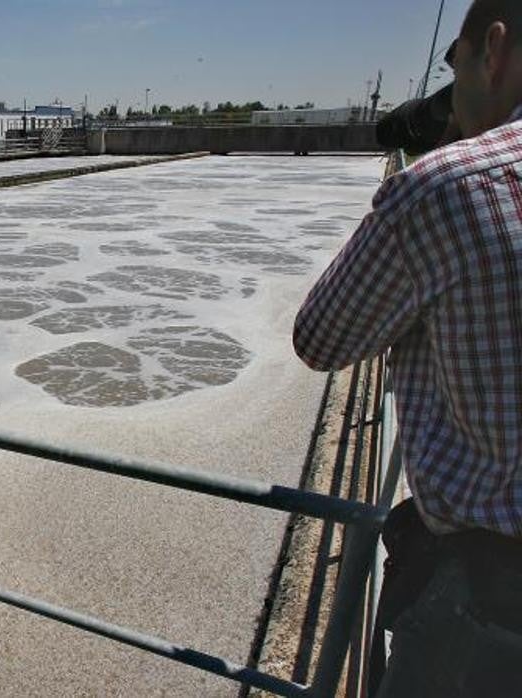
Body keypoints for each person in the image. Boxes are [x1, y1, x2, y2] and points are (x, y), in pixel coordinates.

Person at [293, 1, 522, 694]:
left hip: (487, 603)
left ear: (494, 48)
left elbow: (320, 337)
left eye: (453, 65)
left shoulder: (452, 187)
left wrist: (416, 184)